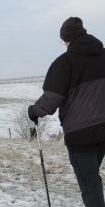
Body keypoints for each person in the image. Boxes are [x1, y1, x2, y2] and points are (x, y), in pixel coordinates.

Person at [28, 17, 105, 207]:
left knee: (89, 183)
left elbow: (52, 98)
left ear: (66, 39)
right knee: (92, 177)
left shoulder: (64, 62)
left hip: (81, 133)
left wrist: (34, 111)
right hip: (103, 129)